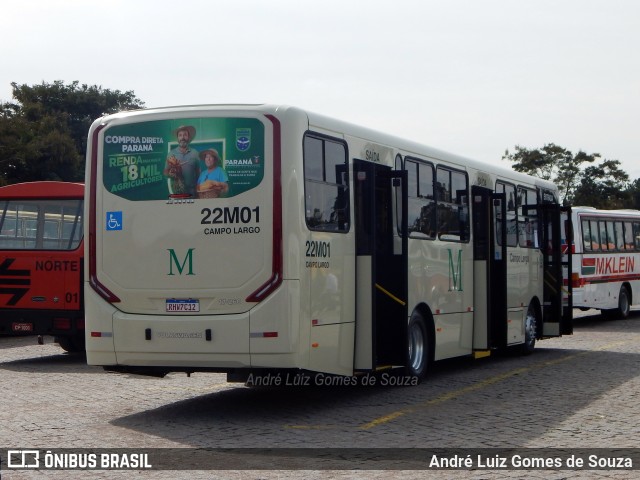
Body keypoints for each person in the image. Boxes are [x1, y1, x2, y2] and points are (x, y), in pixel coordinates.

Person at [164, 125, 200, 196]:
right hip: (176, 193)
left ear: (188, 137)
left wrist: (198, 189)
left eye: (185, 135)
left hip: (192, 193)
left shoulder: (195, 153)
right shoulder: (171, 153)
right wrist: (170, 174)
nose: (182, 137)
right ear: (177, 138)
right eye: (180, 135)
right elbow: (165, 172)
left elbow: (198, 172)